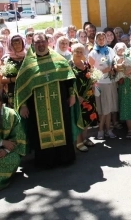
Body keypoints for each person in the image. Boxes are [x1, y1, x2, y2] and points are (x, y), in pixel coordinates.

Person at [15, 32, 83, 168]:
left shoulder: (59, 60)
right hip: (37, 107)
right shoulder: (28, 64)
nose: (40, 44)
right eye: (37, 42)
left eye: (42, 41)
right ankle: (46, 162)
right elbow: (21, 87)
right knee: (40, 132)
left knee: (62, 128)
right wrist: (22, 105)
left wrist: (72, 95)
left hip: (59, 103)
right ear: (33, 44)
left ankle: (65, 158)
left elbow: (69, 80)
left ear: (47, 42)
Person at [88, 32, 118, 140]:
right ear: (96, 40)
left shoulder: (110, 50)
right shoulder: (93, 53)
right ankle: (101, 130)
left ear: (106, 39)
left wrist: (113, 70)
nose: (101, 40)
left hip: (110, 82)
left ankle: (108, 129)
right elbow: (90, 71)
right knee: (102, 109)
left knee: (108, 108)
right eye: (99, 39)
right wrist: (102, 71)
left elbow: (114, 64)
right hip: (100, 83)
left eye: (103, 38)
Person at [69, 43, 98, 152]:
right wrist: (77, 97)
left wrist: (94, 81)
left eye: (81, 51)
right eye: (77, 51)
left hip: (88, 96)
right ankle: (78, 142)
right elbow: (69, 83)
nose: (79, 53)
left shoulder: (86, 64)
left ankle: (85, 138)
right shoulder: (69, 65)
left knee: (87, 119)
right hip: (76, 97)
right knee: (78, 118)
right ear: (72, 52)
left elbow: (92, 76)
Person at [0, 34, 26, 108]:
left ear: (23, 43)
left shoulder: (28, 57)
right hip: (11, 92)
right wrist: (13, 79)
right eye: (14, 44)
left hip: (27, 90)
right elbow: (0, 79)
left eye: (19, 43)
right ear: (10, 45)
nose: (17, 45)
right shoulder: (5, 59)